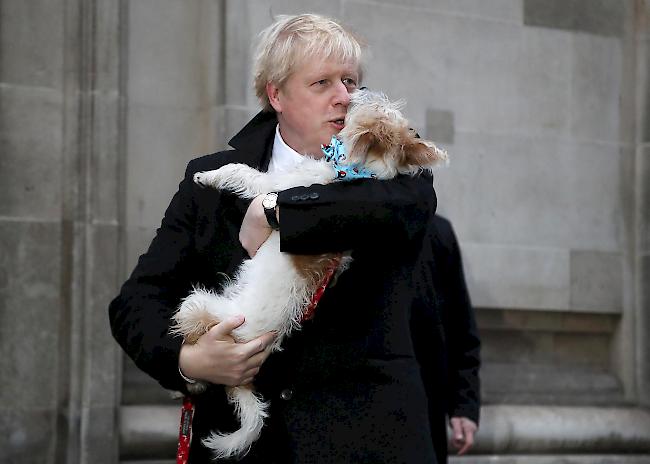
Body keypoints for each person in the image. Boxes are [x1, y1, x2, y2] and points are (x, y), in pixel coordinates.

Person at [109, 13, 451, 463]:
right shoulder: (208, 179)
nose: (344, 98)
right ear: (277, 94)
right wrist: (190, 360)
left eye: (350, 81)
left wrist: (274, 211)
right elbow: (137, 301)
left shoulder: (392, 162)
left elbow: (396, 207)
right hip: (247, 447)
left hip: (366, 442)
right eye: (322, 83)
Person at [413, 213, 481, 464]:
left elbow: (460, 326)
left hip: (424, 410)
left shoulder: (437, 231)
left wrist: (463, 404)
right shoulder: (351, 224)